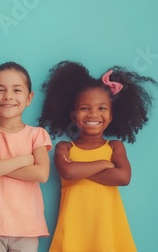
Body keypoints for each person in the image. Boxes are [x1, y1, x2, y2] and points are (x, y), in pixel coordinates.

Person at [38, 61, 157, 252]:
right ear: (73, 115)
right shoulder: (64, 147)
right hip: (75, 228)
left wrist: (80, 168)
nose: (93, 113)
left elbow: (123, 177)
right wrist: (104, 164)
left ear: (110, 116)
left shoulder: (114, 147)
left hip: (107, 229)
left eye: (102, 108)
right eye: (85, 108)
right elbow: (68, 172)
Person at [0, 61, 52, 252]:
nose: (8, 96)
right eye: (0, 90)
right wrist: (25, 159)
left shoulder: (37, 135)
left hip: (27, 227)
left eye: (17, 90)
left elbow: (41, 173)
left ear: (29, 97)